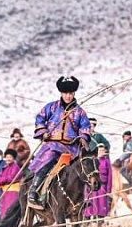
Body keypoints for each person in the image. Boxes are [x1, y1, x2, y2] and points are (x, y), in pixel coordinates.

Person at [27, 76, 91, 209]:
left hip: (71, 148)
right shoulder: (51, 107)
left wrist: (82, 138)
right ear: (61, 93)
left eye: (71, 93)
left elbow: (85, 127)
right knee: (46, 163)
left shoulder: (79, 112)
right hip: (52, 145)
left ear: (74, 94)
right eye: (65, 93)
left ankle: (82, 198)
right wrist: (43, 132)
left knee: (82, 170)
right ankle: (33, 192)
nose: (68, 96)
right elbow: (39, 119)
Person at [84, 143, 113, 223]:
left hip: (102, 186)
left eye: (102, 150)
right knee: (90, 203)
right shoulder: (92, 161)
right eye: (99, 150)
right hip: (92, 186)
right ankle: (87, 222)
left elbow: (110, 176)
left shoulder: (106, 162)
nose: (101, 152)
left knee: (101, 204)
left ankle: (100, 222)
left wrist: (108, 189)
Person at [0, 149, 22, 218]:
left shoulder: (15, 167)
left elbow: (11, 178)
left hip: (13, 191)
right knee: (3, 209)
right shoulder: (5, 168)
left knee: (9, 209)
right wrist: (3, 180)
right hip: (5, 191)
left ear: (13, 158)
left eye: (10, 157)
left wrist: (3, 179)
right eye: (7, 157)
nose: (8, 159)